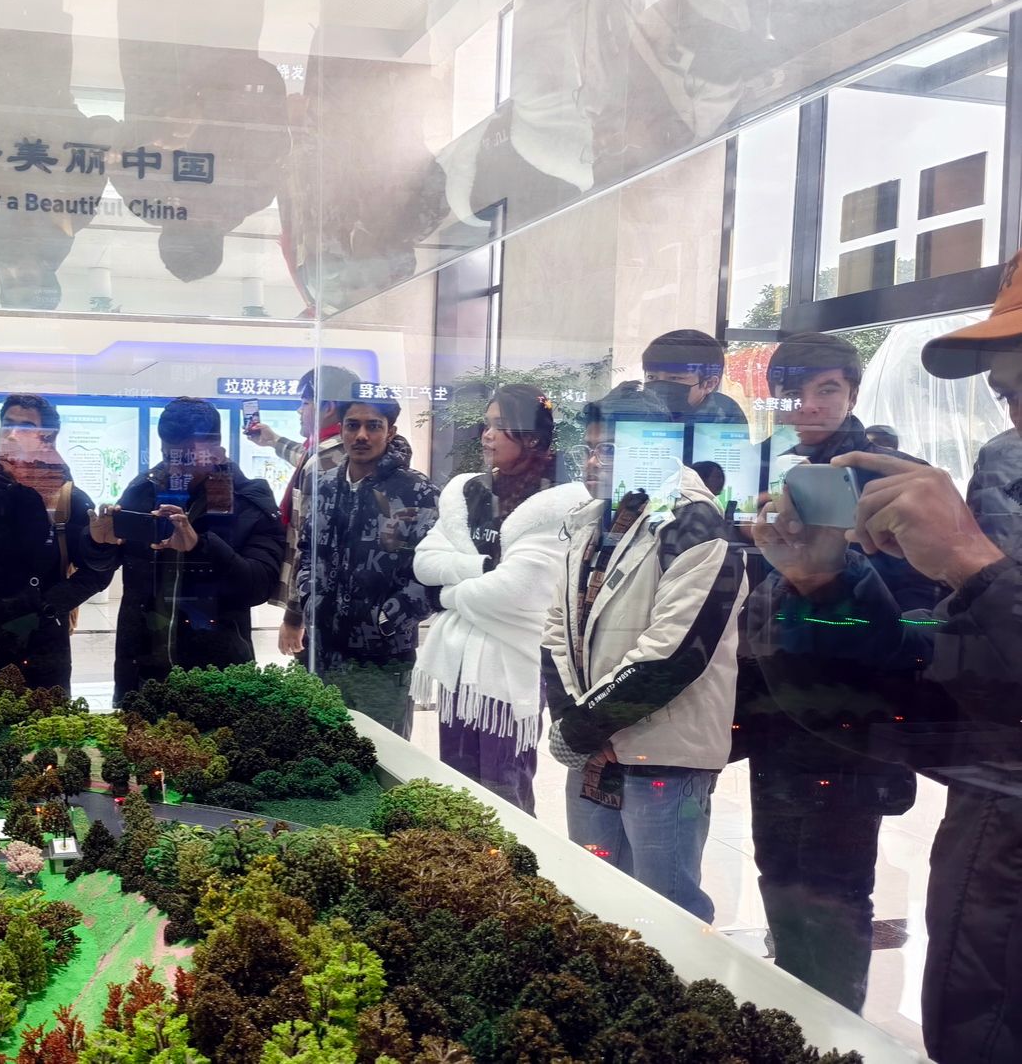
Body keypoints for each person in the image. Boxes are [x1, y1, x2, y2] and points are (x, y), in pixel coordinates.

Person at [739, 332, 941, 1013]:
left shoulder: (892, 479)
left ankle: (831, 1040)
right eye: (793, 392)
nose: (809, 405)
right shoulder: (761, 471)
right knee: (778, 879)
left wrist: (842, 568)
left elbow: (919, 626)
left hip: (851, 730)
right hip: (774, 722)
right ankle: (793, 1027)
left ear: (851, 393)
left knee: (833, 897)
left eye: (826, 389)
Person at [543, 382, 745, 921]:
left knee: (665, 911)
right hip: (594, 747)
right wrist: (573, 722)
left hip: (663, 754)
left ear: (657, 447)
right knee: (592, 901)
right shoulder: (595, 519)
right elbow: (558, 630)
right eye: (589, 448)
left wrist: (583, 728)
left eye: (608, 449)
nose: (593, 462)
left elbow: (675, 654)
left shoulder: (695, 523)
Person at [411, 384, 589, 812]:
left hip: (513, 663)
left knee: (503, 788)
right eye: (486, 425)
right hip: (457, 661)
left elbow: (518, 591)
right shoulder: (470, 492)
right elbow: (424, 563)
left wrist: (449, 594)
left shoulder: (556, 499)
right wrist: (482, 569)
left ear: (531, 437)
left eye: (499, 426)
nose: (487, 435)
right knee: (456, 786)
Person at [87, 397, 284, 705]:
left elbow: (259, 585)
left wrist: (199, 546)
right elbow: (102, 570)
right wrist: (100, 544)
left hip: (219, 680)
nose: (177, 468)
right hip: (141, 676)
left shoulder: (248, 498)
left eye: (189, 457)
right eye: (170, 456)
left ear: (216, 449)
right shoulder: (144, 488)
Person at [284, 397, 439, 737]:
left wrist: (388, 618)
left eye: (373, 426)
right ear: (341, 429)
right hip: (322, 649)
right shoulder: (324, 484)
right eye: (353, 425)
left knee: (381, 751)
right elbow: (306, 550)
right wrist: (309, 601)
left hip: (383, 657)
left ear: (390, 432)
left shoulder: (416, 490)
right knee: (321, 745)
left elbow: (434, 570)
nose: (362, 435)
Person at [0, 394, 113, 691]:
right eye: (7, 424)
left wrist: (48, 607)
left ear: (47, 438)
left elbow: (97, 571)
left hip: (43, 647)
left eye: (26, 427)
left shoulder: (67, 498)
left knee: (45, 720)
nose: (12, 434)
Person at [249, 365, 359, 618]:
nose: (299, 411)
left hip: (314, 603)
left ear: (328, 407)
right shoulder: (335, 449)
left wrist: (294, 614)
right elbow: (305, 457)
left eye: (305, 403)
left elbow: (310, 543)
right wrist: (273, 440)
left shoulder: (324, 461)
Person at [641, 329, 749, 423]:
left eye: (674, 378)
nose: (659, 388)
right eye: (652, 377)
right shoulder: (638, 409)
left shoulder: (726, 416)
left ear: (709, 384)